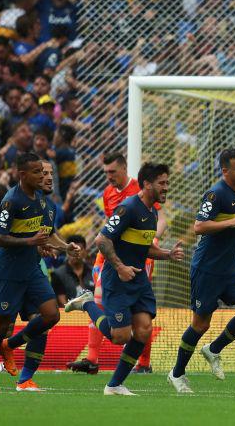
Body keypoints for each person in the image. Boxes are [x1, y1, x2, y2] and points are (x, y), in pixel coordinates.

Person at [64, 162, 184, 395]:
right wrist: (119, 267)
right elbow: (101, 240)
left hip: (138, 280)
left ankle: (115, 385)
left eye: (167, 182)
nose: (166, 187)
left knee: (143, 330)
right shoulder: (128, 207)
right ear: (147, 184)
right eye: (162, 183)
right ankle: (87, 302)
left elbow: (144, 247)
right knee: (120, 337)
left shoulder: (152, 211)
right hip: (117, 279)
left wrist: (167, 254)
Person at [0, 152, 81, 392]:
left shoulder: (42, 201)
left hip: (31, 269)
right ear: (23, 175)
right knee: (1, 326)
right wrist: (29, 242)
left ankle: (11, 347)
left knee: (51, 315)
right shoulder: (12, 200)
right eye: (38, 172)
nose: (43, 176)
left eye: (45, 172)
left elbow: (46, 234)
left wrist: (66, 247)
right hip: (8, 271)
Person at [167, 148, 235, 393]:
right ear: (225, 171)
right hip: (207, 269)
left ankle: (214, 349)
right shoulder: (215, 193)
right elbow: (199, 226)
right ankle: (177, 374)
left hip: (230, 268)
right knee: (200, 325)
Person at [66, 153, 139, 375]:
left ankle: (142, 362)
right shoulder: (107, 194)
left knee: (138, 308)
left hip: (136, 257)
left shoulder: (139, 190)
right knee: (99, 302)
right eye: (105, 172)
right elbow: (110, 228)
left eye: (113, 172)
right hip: (108, 256)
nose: (108, 177)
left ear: (125, 168)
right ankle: (92, 359)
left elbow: (156, 218)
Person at [51, 235, 93, 306]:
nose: (75, 253)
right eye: (71, 250)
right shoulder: (57, 274)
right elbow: (62, 302)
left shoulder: (93, 271)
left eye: (78, 249)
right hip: (69, 315)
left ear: (85, 251)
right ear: (66, 251)